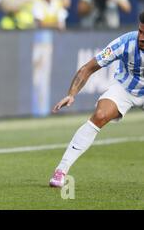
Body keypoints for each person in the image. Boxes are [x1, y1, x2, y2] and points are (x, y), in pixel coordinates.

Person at [49, 11, 144, 188]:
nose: (142, 37)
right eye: (140, 31)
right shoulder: (125, 43)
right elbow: (88, 68)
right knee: (99, 115)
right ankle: (61, 170)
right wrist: (72, 94)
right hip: (125, 88)